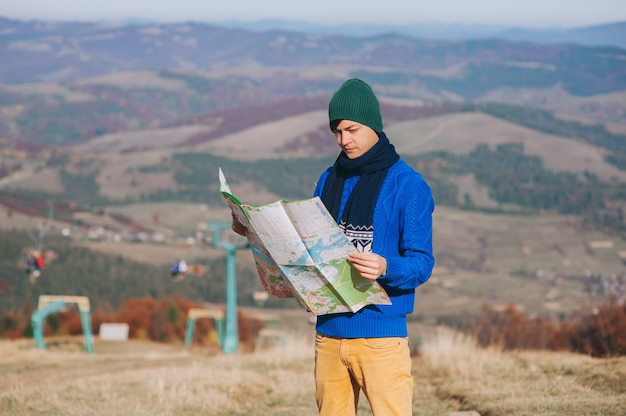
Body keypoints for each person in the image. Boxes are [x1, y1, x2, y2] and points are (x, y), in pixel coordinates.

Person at [232, 78, 435, 416]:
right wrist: (254, 234)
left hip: (380, 338)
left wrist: (386, 267)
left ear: (373, 125)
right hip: (328, 335)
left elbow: (422, 264)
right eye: (337, 132)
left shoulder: (409, 186)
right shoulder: (329, 179)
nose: (344, 140)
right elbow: (308, 248)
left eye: (352, 130)